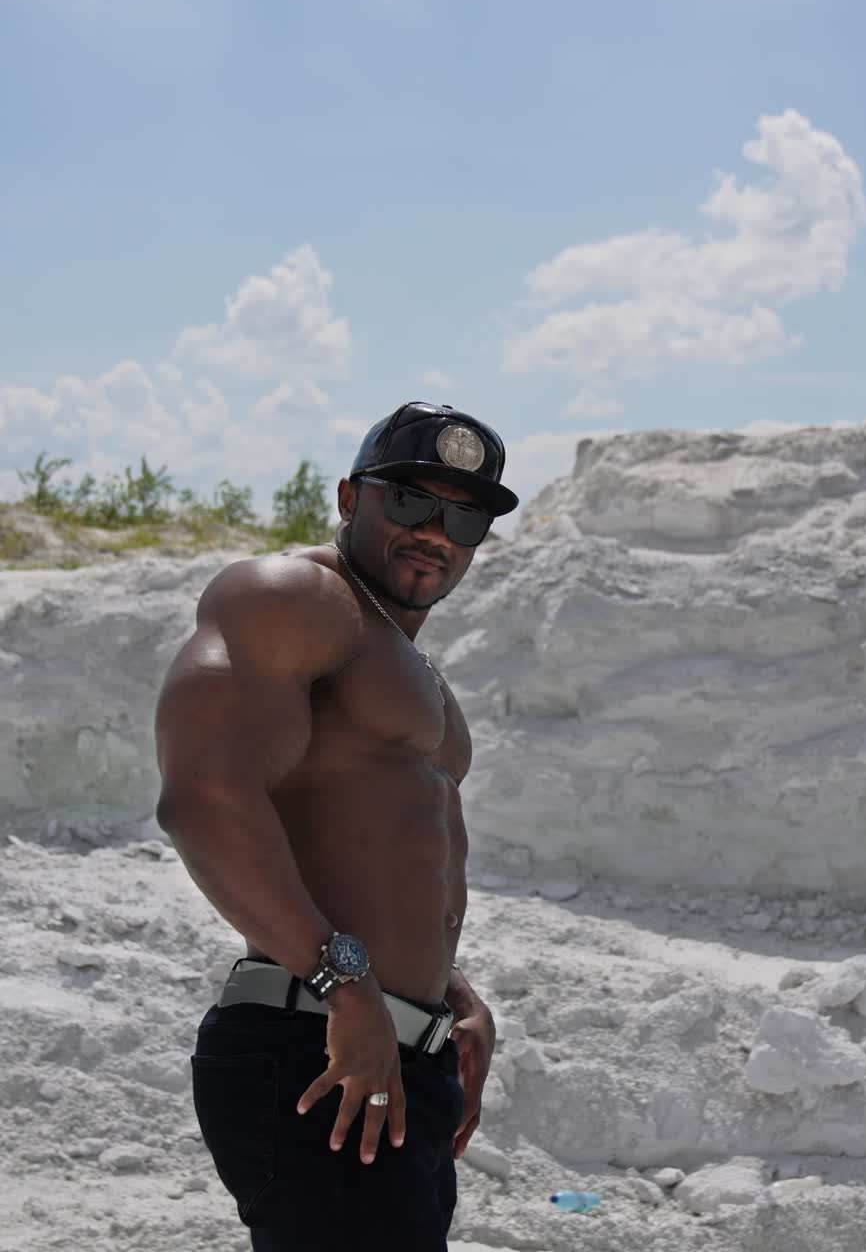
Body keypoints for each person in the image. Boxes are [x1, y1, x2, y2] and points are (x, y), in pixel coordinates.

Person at [153, 402, 519, 1250]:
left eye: (464, 515)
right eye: (410, 503)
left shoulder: (401, 660)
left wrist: (451, 999)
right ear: (352, 496)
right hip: (312, 1045)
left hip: (395, 1056)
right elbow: (202, 797)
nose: (437, 530)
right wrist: (344, 984)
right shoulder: (291, 597)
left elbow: (369, 849)